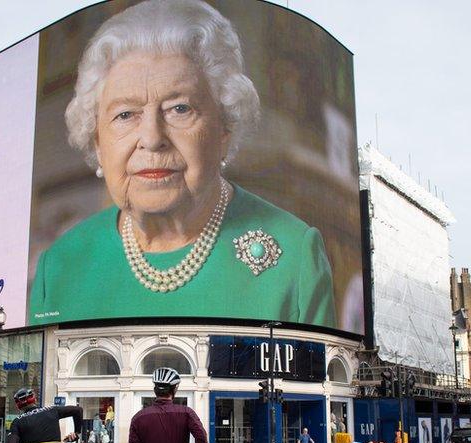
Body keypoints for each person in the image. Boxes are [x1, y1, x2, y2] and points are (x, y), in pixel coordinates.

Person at [29, 0, 337, 329]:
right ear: (97, 142)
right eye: (125, 114)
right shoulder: (58, 268)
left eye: (179, 109)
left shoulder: (295, 256)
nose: (151, 137)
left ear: (224, 128)